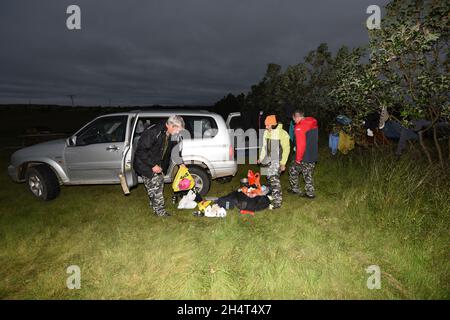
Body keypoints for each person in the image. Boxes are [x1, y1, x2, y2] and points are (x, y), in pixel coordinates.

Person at [134, 115, 185, 217]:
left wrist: (181, 163)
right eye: (177, 130)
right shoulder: (153, 132)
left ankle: (154, 205)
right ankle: (160, 212)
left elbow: (175, 150)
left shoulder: (171, 134)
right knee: (156, 185)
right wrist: (152, 165)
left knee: (158, 184)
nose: (178, 133)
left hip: (156, 163)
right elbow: (141, 151)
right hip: (145, 163)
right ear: (171, 126)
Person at [257, 115, 290, 209]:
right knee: (269, 177)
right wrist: (261, 158)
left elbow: (286, 149)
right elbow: (264, 147)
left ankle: (277, 202)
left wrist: (283, 163)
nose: (266, 127)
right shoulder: (266, 133)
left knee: (273, 178)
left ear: (273, 124)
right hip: (269, 159)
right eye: (265, 125)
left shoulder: (282, 133)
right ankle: (272, 194)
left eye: (267, 125)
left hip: (277, 160)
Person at [288, 110, 318, 199]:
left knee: (293, 170)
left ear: (296, 117)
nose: (294, 122)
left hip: (303, 156)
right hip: (312, 154)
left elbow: (301, 144)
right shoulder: (312, 122)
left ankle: (296, 189)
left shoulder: (300, 127)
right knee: (308, 174)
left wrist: (298, 159)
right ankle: (310, 193)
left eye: (294, 120)